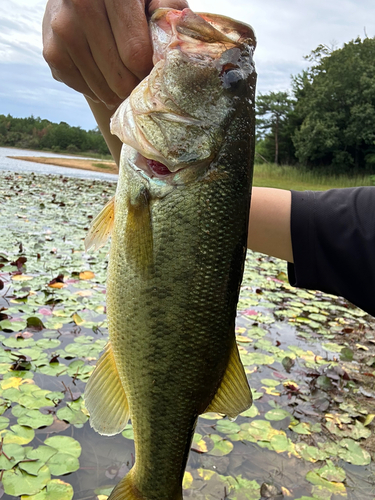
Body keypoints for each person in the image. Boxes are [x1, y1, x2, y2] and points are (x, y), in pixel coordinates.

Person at [42, 0, 374, 317]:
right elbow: (205, 204)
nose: (228, 74)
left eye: (230, 78)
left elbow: (180, 184)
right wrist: (95, 56)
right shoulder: (360, 226)